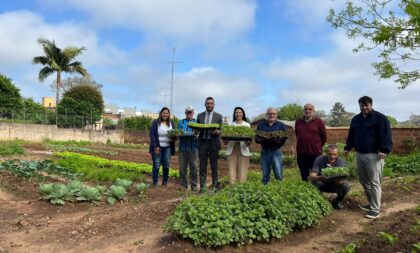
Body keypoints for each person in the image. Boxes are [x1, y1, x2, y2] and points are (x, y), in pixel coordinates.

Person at [344, 96, 393, 219]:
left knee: (375, 182)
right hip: (360, 154)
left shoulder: (380, 118)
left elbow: (386, 135)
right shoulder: (356, 119)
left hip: (375, 155)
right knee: (364, 181)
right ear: (359, 105)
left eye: (366, 105)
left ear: (371, 105)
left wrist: (384, 149)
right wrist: (348, 147)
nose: (364, 107)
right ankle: (372, 203)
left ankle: (375, 210)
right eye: (362, 105)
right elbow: (352, 134)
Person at [310, 144, 351, 210]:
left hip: (335, 185)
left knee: (346, 185)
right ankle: (320, 201)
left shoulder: (341, 162)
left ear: (338, 154)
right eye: (330, 154)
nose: (332, 156)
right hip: (323, 183)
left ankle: (337, 201)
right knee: (315, 182)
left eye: (335, 154)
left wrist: (339, 181)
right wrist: (322, 177)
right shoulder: (319, 159)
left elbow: (343, 179)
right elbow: (312, 176)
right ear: (326, 153)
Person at [196, 97, 223, 192]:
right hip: (202, 143)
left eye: (211, 103)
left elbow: (221, 130)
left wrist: (217, 132)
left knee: (214, 167)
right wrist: (195, 129)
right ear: (205, 105)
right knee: (202, 166)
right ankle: (202, 188)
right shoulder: (200, 116)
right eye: (208, 103)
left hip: (214, 143)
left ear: (214, 105)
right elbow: (196, 130)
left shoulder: (219, 116)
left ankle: (215, 186)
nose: (209, 105)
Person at [295, 103, 327, 181]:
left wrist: (318, 146)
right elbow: (297, 134)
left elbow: (324, 137)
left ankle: (317, 191)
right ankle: (306, 191)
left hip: (315, 153)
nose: (307, 111)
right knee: (304, 176)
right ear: (303, 110)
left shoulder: (319, 122)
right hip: (301, 153)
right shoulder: (298, 122)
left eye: (310, 109)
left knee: (316, 175)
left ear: (313, 111)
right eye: (305, 109)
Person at [255, 107, 288, 184]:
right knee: (265, 175)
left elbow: (284, 138)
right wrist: (268, 138)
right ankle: (265, 190)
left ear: (276, 115)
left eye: (274, 114)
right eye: (270, 114)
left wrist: (277, 142)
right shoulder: (261, 125)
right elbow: (257, 139)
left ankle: (280, 190)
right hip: (265, 152)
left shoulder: (281, 125)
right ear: (266, 115)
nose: (272, 115)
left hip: (276, 151)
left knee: (278, 174)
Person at [149, 107, 176, 187]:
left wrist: (175, 137)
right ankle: (155, 183)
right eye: (164, 113)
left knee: (166, 165)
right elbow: (152, 135)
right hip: (158, 147)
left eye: (167, 113)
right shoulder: (156, 122)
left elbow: (174, 133)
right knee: (156, 165)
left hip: (168, 147)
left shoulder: (171, 123)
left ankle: (165, 183)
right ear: (161, 113)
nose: (165, 114)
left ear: (169, 114)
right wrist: (155, 147)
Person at [224, 107, 252, 184]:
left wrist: (249, 141)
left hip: (243, 149)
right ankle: (232, 190)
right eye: (236, 112)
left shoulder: (247, 125)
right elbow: (226, 141)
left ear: (243, 114)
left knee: (243, 172)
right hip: (232, 150)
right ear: (234, 114)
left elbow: (249, 140)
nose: (238, 114)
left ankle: (241, 190)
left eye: (240, 112)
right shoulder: (230, 125)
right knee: (231, 171)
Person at [177, 105, 198, 191]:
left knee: (193, 167)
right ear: (185, 113)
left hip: (193, 148)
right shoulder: (181, 122)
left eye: (190, 112)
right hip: (182, 148)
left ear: (193, 113)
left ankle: (194, 185)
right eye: (187, 112)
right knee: (182, 167)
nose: (189, 113)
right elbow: (178, 133)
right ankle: (183, 185)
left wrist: (197, 135)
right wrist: (179, 135)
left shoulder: (196, 122)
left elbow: (198, 133)